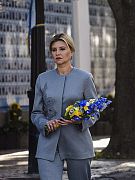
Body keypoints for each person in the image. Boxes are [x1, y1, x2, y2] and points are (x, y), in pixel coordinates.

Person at [31, 33, 98, 180]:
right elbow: (36, 113)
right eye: (54, 50)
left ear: (71, 51)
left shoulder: (85, 78)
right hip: (48, 145)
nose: (58, 53)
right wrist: (45, 124)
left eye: (62, 49)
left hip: (78, 144)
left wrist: (79, 120)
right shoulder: (42, 79)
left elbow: (94, 110)